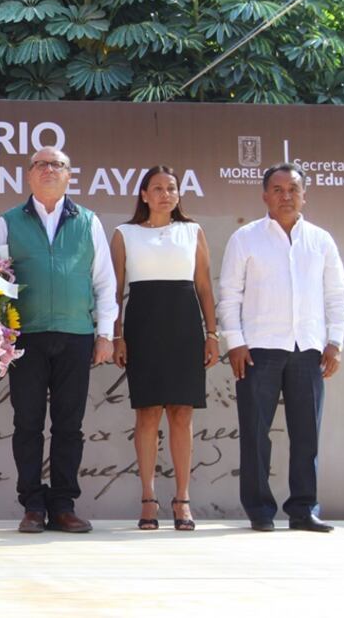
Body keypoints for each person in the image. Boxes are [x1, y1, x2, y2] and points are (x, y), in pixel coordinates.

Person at [0, 147, 117, 534]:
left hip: (76, 335)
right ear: (29, 175)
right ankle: (32, 506)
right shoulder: (7, 223)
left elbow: (104, 281)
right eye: (41, 165)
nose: (49, 170)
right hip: (24, 337)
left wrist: (106, 334)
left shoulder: (89, 222)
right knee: (27, 423)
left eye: (58, 164)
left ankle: (63, 505)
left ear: (69, 175)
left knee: (69, 425)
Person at [217, 163, 344, 533]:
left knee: (307, 433)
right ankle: (260, 511)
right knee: (255, 432)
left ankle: (303, 509)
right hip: (258, 348)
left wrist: (335, 342)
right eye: (277, 189)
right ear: (264, 196)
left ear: (304, 194)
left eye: (293, 189)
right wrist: (235, 343)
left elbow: (337, 295)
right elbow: (229, 295)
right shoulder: (245, 238)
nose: (286, 196)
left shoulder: (320, 240)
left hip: (308, 349)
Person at [110, 166, 219, 531]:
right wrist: (116, 335)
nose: (165, 194)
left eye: (171, 188)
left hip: (185, 326)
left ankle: (182, 499)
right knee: (147, 413)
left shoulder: (193, 231)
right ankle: (148, 498)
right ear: (143, 195)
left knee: (182, 413)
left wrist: (212, 334)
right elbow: (115, 291)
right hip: (143, 326)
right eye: (157, 188)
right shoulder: (124, 234)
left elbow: (204, 286)